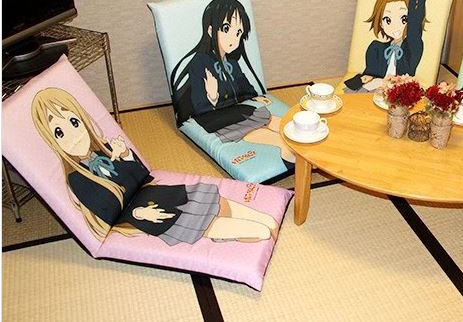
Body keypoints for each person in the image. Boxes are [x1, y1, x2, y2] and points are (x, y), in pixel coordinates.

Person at [32, 87, 279, 245]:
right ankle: (223, 238)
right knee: (260, 232)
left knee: (264, 219)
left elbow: (143, 176)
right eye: (59, 132)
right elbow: (108, 213)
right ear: (52, 141)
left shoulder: (106, 148)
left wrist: (125, 155)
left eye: (74, 122)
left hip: (164, 194)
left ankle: (231, 235)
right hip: (159, 216)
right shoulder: (78, 179)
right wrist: (139, 214)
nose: (73, 134)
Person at [169, 0, 293, 162]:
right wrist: (213, 96)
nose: (233, 39)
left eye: (238, 32)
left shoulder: (232, 62)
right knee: (277, 140)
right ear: (211, 31)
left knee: (285, 126)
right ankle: (300, 169)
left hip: (240, 111)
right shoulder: (199, 63)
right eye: (226, 29)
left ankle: (310, 154)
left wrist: (257, 97)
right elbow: (199, 106)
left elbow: (245, 85)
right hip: (219, 121)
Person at [344, 0, 429, 93]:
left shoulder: (412, 47)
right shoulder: (376, 48)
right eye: (387, 20)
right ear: (381, 23)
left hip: (400, 91)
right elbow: (369, 73)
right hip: (375, 87)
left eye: (404, 19)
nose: (395, 26)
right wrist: (366, 79)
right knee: (351, 92)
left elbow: (414, 26)